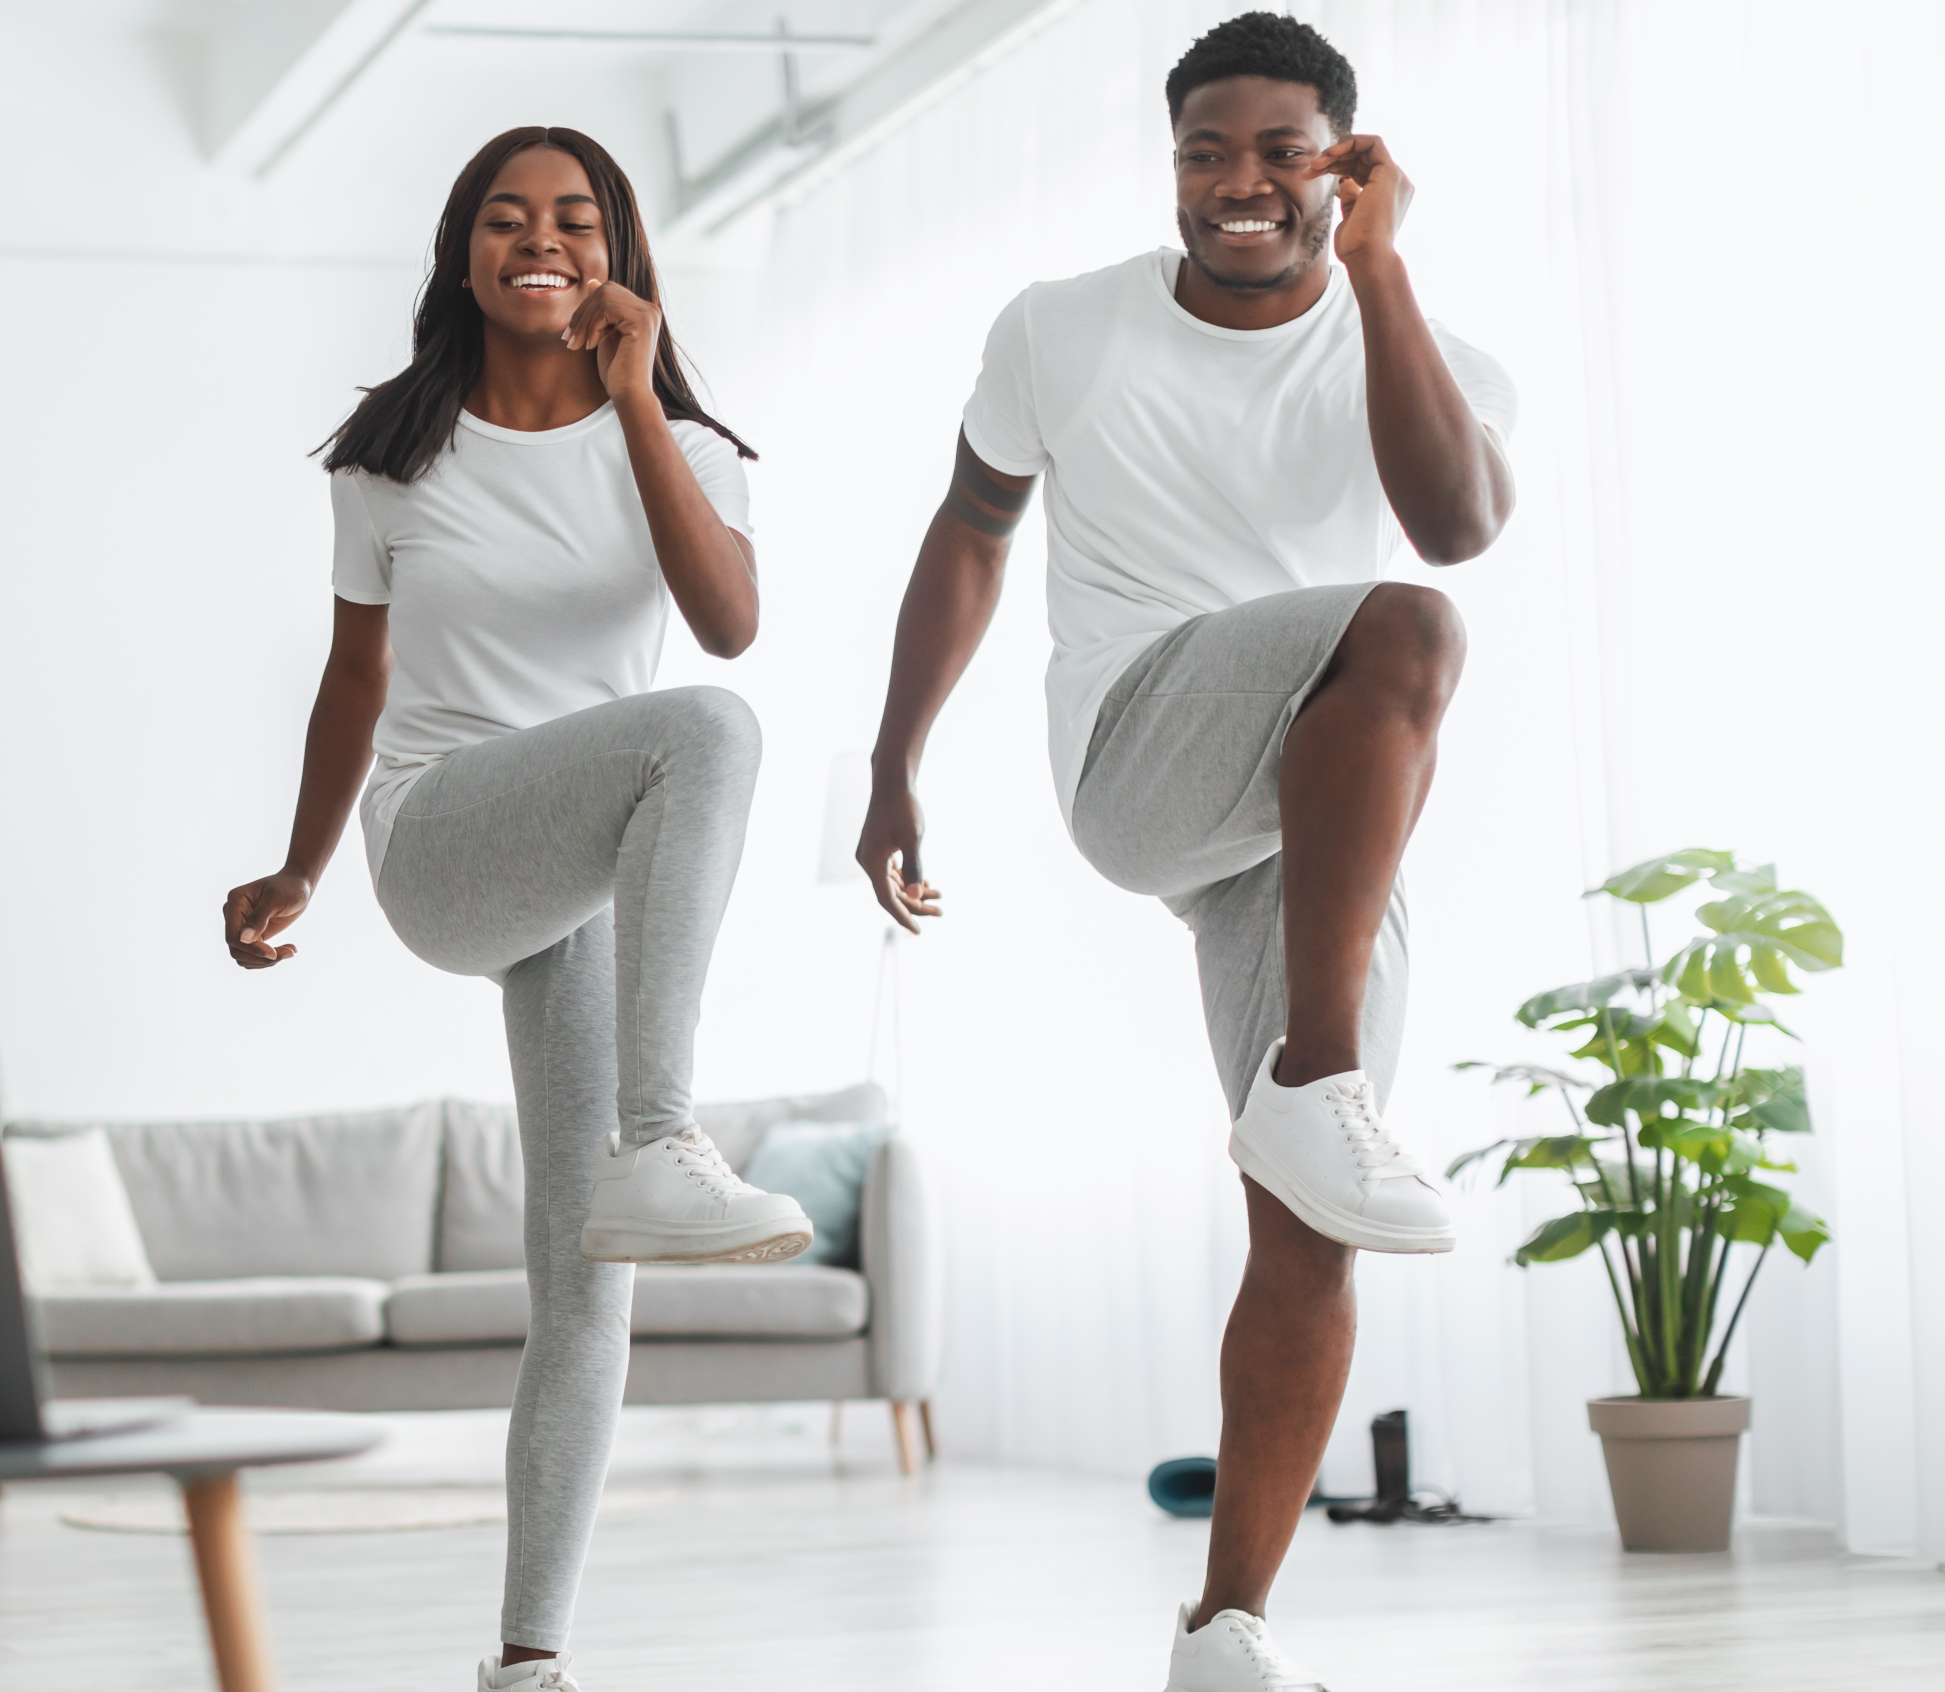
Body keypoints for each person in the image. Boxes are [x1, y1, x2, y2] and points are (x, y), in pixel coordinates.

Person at [853, 14, 1515, 1691]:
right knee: (1411, 633)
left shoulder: (1412, 342)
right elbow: (971, 534)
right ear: (1170, 167)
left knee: (1311, 1223)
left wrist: (1379, 274)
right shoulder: (1063, 328)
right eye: (1203, 153)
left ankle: (1227, 1630)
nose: (1238, 184)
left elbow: (1456, 518)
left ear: (1346, 165)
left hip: (1315, 818)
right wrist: (893, 762)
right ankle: (1317, 1082)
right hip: (1144, 747)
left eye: (1282, 153)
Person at [223, 126, 812, 1692]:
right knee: (705, 735)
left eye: (571, 219)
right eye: (504, 218)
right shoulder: (390, 453)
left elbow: (728, 621)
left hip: (588, 860)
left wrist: (639, 398)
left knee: (587, 1277)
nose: (537, 241)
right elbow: (357, 676)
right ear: (463, 253)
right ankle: (664, 1134)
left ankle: (527, 1661)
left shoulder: (685, 446)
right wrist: (301, 867)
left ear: (618, 253)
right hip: (444, 839)